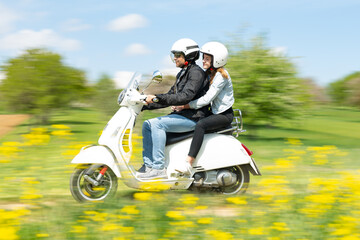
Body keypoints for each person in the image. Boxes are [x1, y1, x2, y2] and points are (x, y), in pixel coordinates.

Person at [137, 38, 210, 179]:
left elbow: (185, 96)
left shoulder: (196, 73)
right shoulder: (182, 73)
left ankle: (158, 168)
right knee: (147, 125)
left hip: (193, 117)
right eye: (174, 55)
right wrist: (144, 105)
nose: (175, 58)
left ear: (188, 55)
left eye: (178, 55)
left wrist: (157, 97)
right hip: (182, 116)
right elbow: (170, 95)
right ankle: (148, 165)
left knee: (157, 124)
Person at [173, 41, 234, 174]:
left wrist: (184, 106)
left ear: (217, 60)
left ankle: (189, 163)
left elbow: (207, 99)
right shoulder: (209, 73)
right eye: (203, 58)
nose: (203, 61)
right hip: (213, 112)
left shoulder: (221, 76)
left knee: (200, 125)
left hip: (224, 115)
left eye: (207, 59)